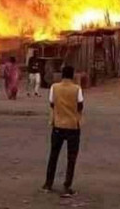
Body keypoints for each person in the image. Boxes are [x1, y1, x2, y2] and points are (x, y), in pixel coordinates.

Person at [43, 65, 84, 197]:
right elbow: (80, 105)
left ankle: (48, 184)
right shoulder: (77, 88)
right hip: (73, 126)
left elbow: (51, 103)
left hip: (58, 125)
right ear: (72, 75)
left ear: (62, 75)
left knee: (53, 155)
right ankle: (67, 185)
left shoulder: (54, 87)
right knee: (71, 158)